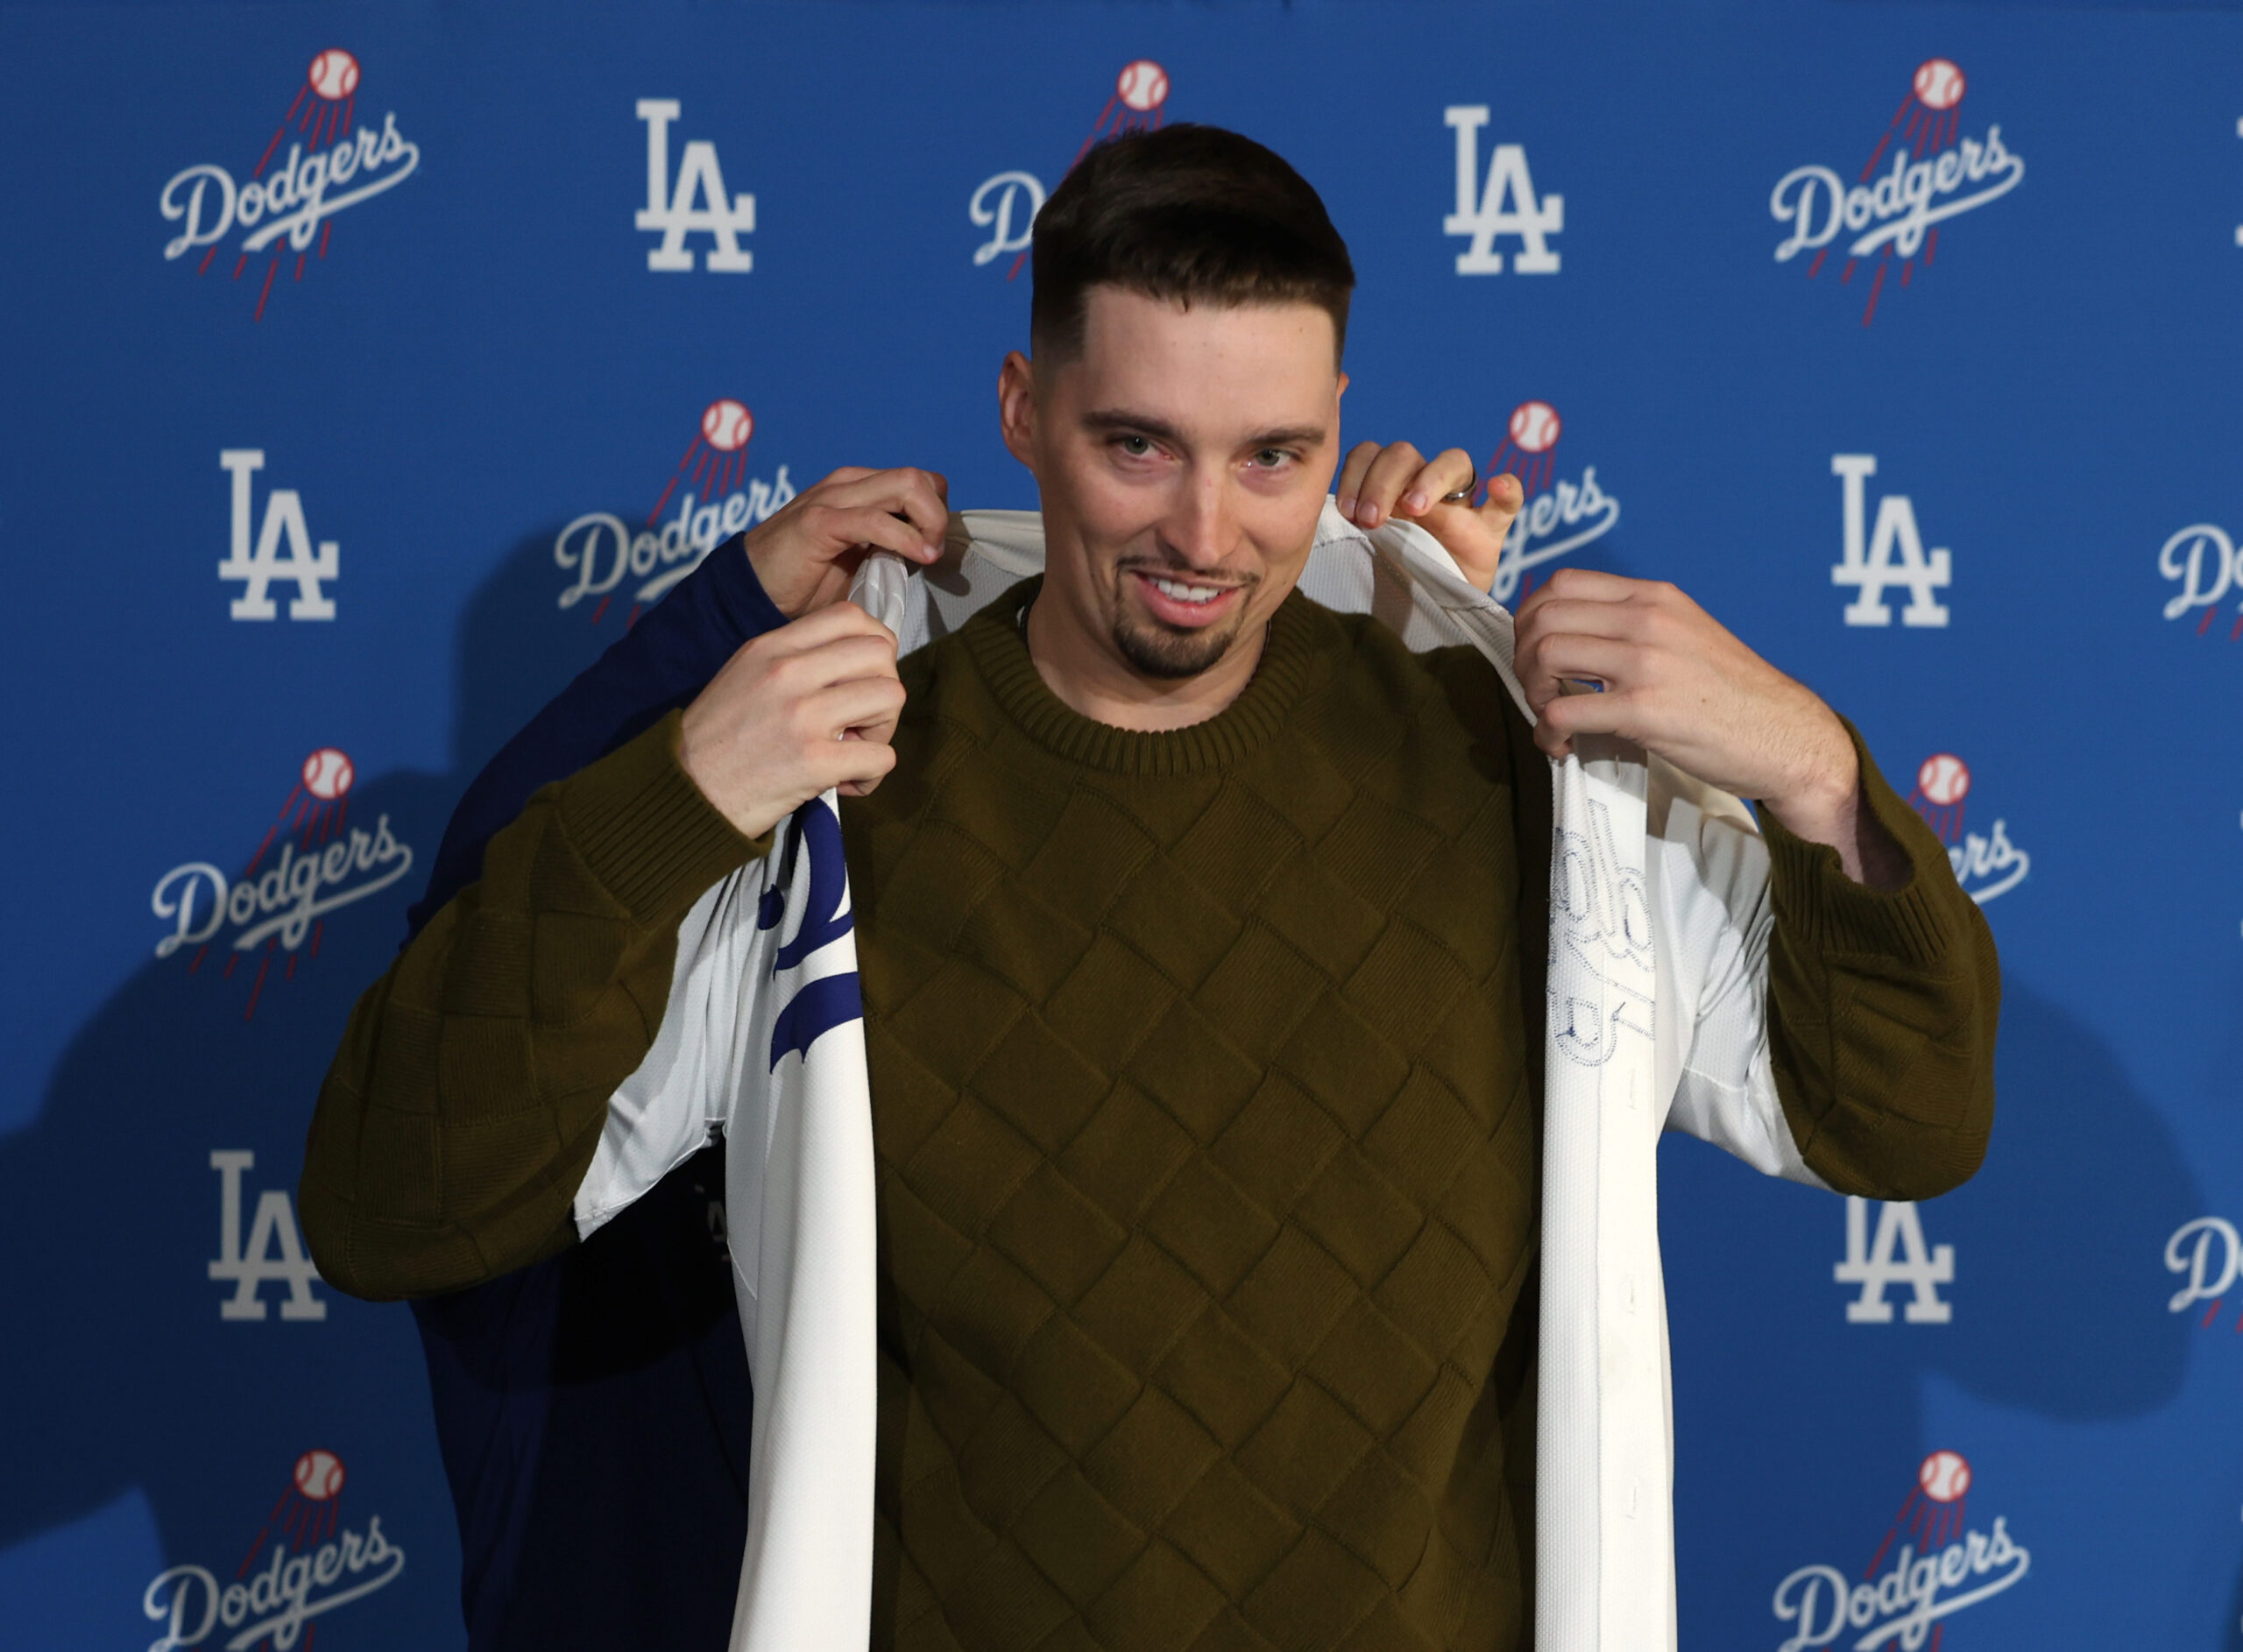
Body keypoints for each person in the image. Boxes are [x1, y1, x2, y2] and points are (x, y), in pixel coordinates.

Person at [301, 125, 1997, 1651]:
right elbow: (390, 1206)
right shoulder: (831, 794)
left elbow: (1905, 1121)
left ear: (1338, 432)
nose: (1205, 532)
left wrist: (1813, 766)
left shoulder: (1511, 768)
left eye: (1271, 457)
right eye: (1137, 445)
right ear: (1023, 414)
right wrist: (676, 798)